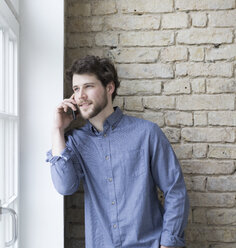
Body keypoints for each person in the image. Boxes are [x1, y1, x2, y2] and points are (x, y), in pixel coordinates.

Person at [46, 55, 189, 248]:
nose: (80, 96)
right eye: (76, 89)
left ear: (109, 88)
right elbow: (65, 186)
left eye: (88, 86)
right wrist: (57, 130)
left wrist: (168, 244)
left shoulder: (146, 133)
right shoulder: (76, 142)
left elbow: (175, 190)